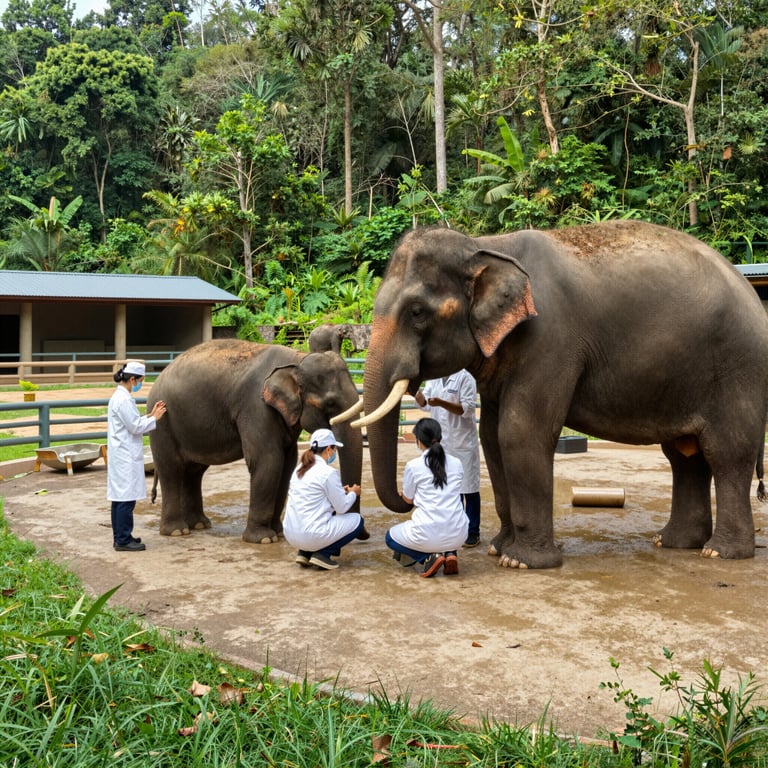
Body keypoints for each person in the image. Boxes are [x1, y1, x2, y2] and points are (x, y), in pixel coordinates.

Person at [386, 417, 468, 578]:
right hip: (460, 534)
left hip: (427, 532)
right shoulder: (457, 463)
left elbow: (408, 500)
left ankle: (429, 558)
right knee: (449, 513)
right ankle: (451, 553)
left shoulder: (414, 465)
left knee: (390, 538)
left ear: (418, 441)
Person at [415, 370, 482, 547]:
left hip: (462, 443)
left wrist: (442, 403)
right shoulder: (434, 377)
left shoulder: (466, 377)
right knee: (450, 488)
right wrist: (416, 392)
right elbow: (425, 404)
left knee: (469, 489)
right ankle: (457, 528)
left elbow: (466, 409)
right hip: (443, 444)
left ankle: (473, 531)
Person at [282, 428, 366, 570]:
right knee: (357, 521)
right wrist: (353, 493)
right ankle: (322, 554)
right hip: (312, 535)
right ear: (328, 449)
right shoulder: (328, 472)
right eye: (334, 449)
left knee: (315, 518)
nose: (334, 453)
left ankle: (305, 553)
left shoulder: (298, 469)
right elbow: (342, 507)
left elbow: (315, 496)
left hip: (290, 533)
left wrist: (341, 491)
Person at [107, 361, 166, 552]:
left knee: (119, 498)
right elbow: (135, 427)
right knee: (126, 499)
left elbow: (132, 421)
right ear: (131, 379)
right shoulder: (123, 400)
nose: (140, 384)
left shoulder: (120, 397)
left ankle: (121, 536)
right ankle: (123, 540)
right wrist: (155, 418)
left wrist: (150, 414)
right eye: (140, 380)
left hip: (121, 454)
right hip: (125, 456)